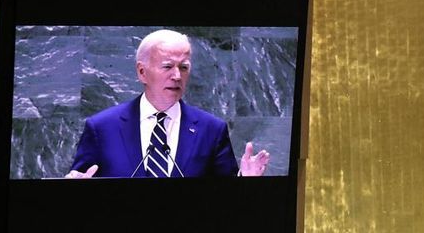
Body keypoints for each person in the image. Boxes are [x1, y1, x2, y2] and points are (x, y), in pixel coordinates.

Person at [65, 29, 270, 178]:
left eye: (183, 67)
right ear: (142, 72)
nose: (176, 76)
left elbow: (227, 202)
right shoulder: (102, 127)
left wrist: (246, 182)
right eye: (167, 66)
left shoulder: (211, 130)